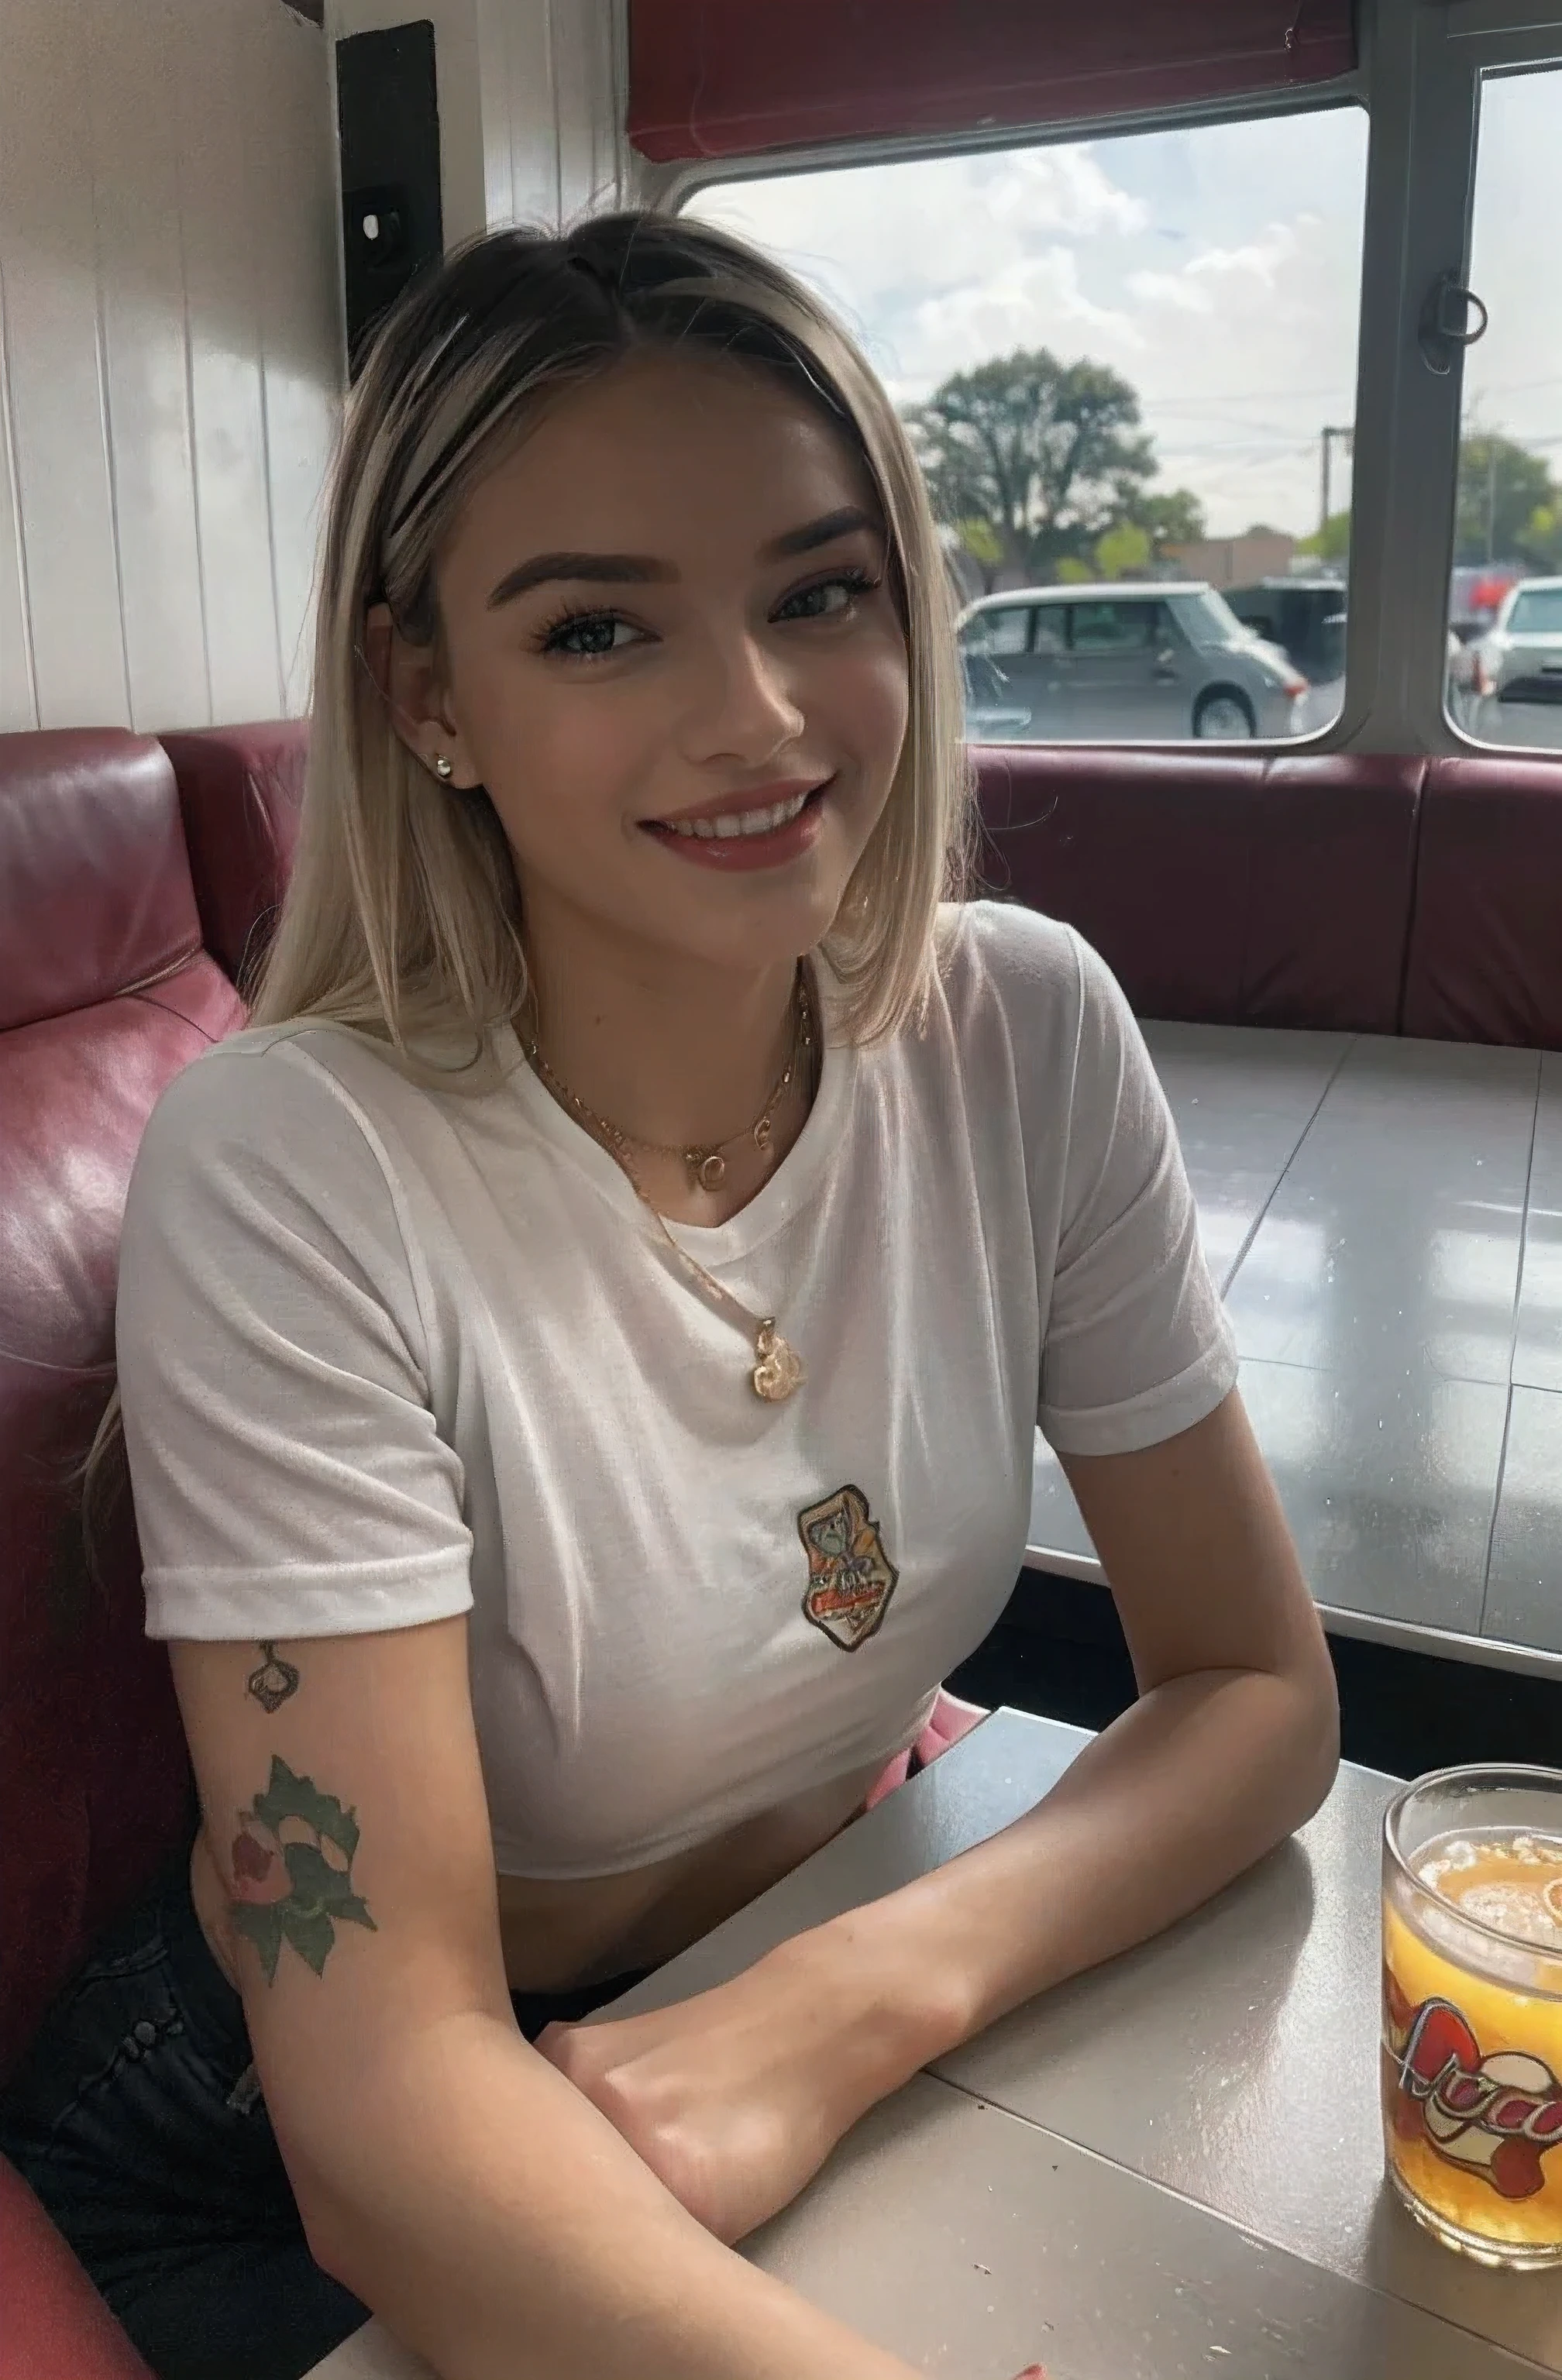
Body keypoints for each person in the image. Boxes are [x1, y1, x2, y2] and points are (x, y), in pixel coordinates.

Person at [0, 211, 1340, 2380]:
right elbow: (388, 2102)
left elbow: (1257, 1692)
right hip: (281, 2148)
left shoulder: (1023, 1030)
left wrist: (845, 2000)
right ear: (427, 699)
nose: (758, 716)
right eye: (601, 630)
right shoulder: (292, 1172)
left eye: (821, 592)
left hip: (805, 1972)